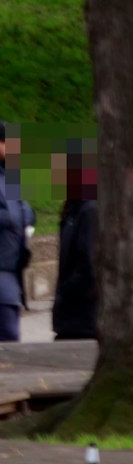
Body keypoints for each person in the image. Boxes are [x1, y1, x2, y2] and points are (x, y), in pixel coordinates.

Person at [51, 139, 98, 341]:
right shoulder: (72, 210)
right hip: (68, 317)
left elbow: (88, 261)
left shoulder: (89, 210)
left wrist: (67, 291)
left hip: (82, 317)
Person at [0, 123, 33, 343]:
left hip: (12, 272)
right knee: (9, 337)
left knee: (10, 338)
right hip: (2, 274)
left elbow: (26, 211)